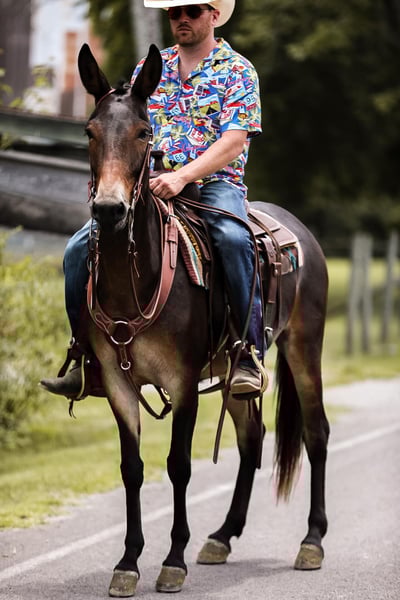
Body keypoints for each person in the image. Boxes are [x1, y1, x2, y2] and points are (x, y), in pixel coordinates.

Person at [41, 0, 264, 398]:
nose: (182, 18)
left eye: (192, 11)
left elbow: (234, 141)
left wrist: (183, 176)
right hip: (149, 185)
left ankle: (247, 351)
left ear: (214, 15)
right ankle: (84, 357)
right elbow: (125, 126)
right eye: (174, 13)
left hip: (215, 184)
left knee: (232, 239)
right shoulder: (150, 69)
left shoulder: (237, 70)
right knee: (77, 250)